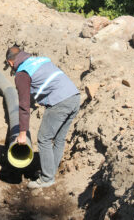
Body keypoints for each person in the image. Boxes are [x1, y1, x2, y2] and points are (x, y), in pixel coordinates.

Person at [5, 46, 80, 189]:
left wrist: (22, 134)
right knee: (58, 138)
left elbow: (23, 105)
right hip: (74, 96)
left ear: (10, 62)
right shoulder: (38, 60)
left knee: (43, 138)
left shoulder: (22, 73)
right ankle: (51, 171)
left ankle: (46, 179)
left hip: (60, 102)